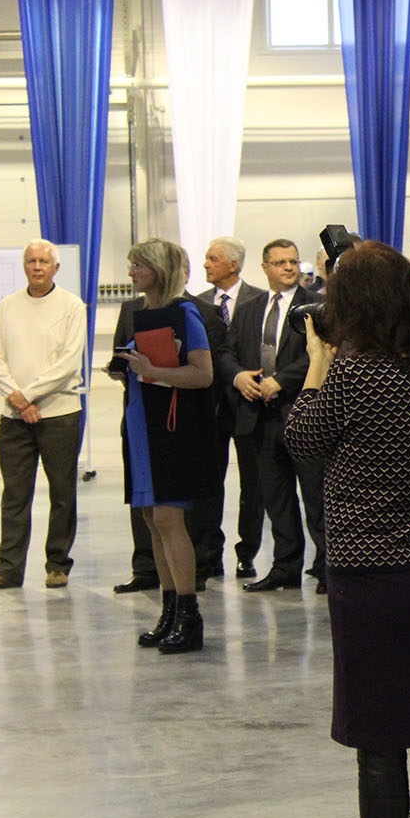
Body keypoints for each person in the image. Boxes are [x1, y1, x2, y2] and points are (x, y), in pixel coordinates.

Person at [284, 240, 410, 818]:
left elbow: (302, 440)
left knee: (380, 740)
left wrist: (317, 362)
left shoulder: (354, 372)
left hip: (368, 578)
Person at [115, 239, 215, 653]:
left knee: (169, 518)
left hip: (173, 427)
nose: (131, 273)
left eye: (137, 265)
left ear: (157, 269)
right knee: (153, 519)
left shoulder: (184, 312)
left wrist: (152, 370)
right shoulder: (140, 312)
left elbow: (203, 374)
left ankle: (189, 614)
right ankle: (169, 608)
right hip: (143, 422)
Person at [215, 239, 325, 592]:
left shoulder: (316, 307)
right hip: (260, 417)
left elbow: (320, 354)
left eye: (293, 261)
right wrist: (238, 376)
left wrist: (281, 380)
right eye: (280, 262)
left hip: (302, 414)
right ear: (265, 267)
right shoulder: (250, 308)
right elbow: (226, 352)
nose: (289, 267)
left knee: (315, 496)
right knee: (276, 497)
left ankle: (327, 567)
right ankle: (285, 567)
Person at [0, 240, 85, 591]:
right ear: (24, 266)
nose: (36, 267)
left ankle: (57, 564)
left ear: (56, 268)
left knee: (62, 493)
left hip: (59, 414)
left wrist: (28, 395)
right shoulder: (6, 307)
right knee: (15, 495)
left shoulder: (72, 306)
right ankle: (8, 567)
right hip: (14, 418)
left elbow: (68, 363)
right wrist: (18, 400)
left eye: (43, 261)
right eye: (31, 261)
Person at [193, 236, 266, 583]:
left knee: (253, 485)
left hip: (248, 403)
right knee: (209, 483)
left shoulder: (259, 301)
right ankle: (209, 555)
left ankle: (247, 553)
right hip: (210, 407)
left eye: (212, 258)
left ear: (233, 264)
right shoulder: (197, 304)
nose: (205, 264)